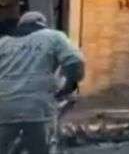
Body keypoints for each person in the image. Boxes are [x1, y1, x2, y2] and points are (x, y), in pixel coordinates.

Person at [0, 11, 84, 154]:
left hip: (5, 108)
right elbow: (74, 62)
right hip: (38, 108)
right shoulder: (53, 36)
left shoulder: (3, 43)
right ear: (42, 25)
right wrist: (68, 86)